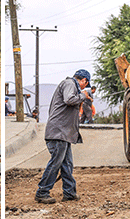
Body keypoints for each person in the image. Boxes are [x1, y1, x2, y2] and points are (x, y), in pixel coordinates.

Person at [36, 70, 96, 204]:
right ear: (84, 80)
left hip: (63, 134)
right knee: (55, 164)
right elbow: (69, 100)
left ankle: (69, 192)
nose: (84, 88)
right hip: (58, 133)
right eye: (85, 85)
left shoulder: (70, 85)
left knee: (67, 164)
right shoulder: (69, 84)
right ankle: (42, 192)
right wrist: (83, 96)